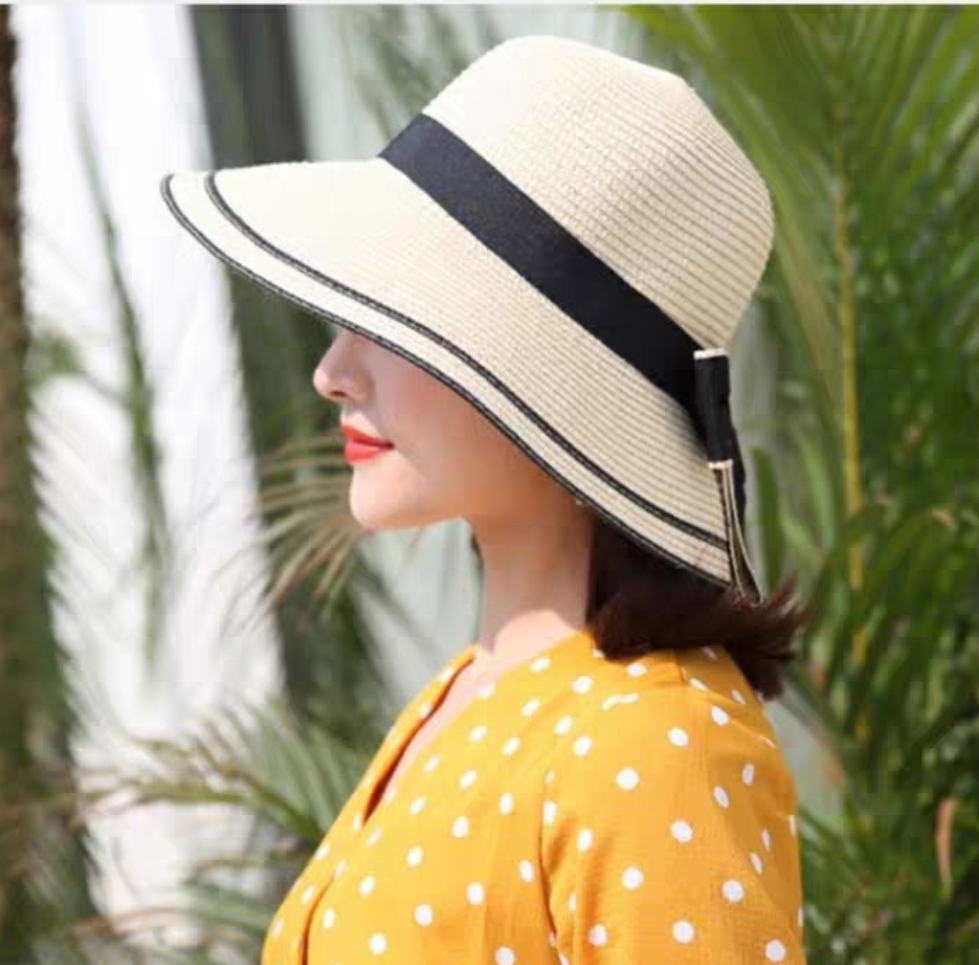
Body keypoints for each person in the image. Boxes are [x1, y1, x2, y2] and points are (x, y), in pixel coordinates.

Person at [161, 34, 811, 964]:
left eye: (397, 322)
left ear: (556, 391)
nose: (332, 372)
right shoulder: (468, 694)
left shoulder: (656, 742)